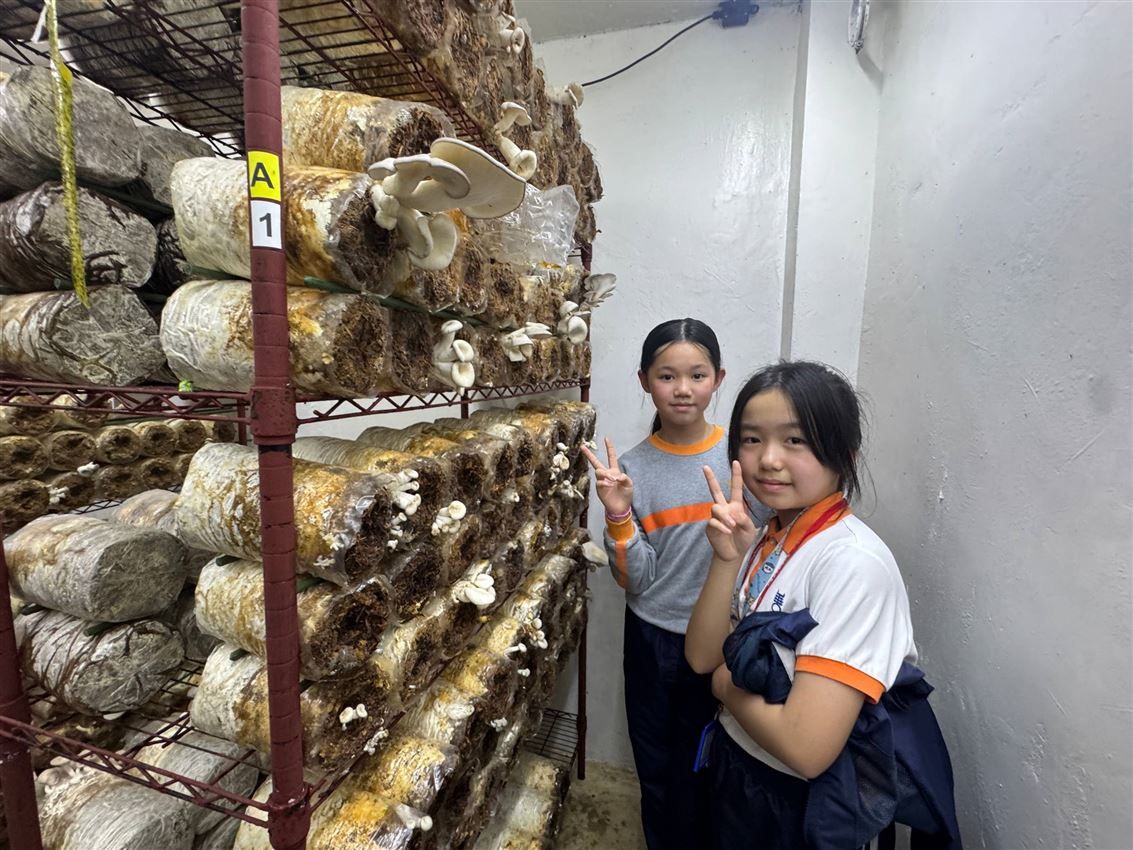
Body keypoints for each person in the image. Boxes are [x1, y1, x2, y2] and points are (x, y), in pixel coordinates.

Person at [686, 360, 959, 850]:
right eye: (751, 439)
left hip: (801, 803)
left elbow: (806, 748)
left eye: (795, 440)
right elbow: (702, 657)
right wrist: (726, 559)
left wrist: (725, 686)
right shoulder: (769, 535)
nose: (768, 459)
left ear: (844, 455)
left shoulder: (852, 564)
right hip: (741, 767)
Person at [582, 318, 770, 850]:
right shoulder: (631, 470)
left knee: (714, 766)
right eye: (667, 376)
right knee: (658, 766)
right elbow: (634, 580)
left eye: (697, 375)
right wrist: (618, 515)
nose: (682, 389)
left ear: (719, 379)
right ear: (645, 381)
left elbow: (766, 549)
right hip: (654, 639)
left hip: (728, 639)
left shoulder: (743, 460)